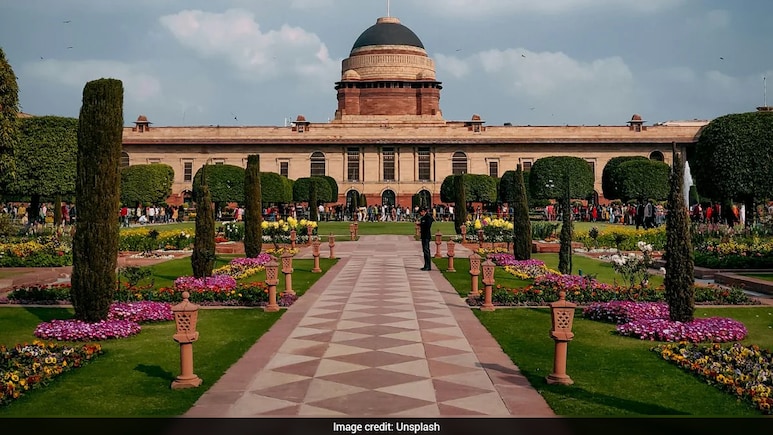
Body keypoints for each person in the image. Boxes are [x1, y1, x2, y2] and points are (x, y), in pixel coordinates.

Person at [418, 206, 434, 271]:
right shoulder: (424, 218)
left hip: (426, 236)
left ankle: (428, 266)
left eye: (420, 212)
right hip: (424, 236)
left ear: (423, 211)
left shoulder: (428, 217)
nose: (420, 214)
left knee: (426, 250)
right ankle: (426, 265)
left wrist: (421, 224)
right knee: (425, 251)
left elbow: (428, 225)